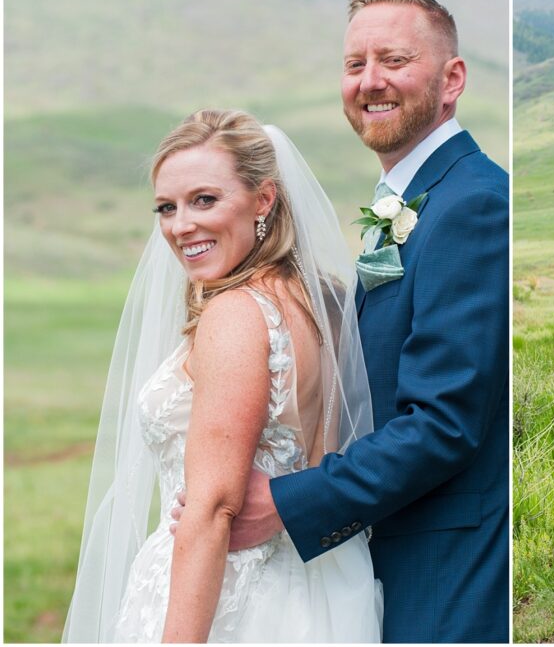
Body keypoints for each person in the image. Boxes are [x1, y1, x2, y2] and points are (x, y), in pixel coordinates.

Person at [206, 0, 510, 643]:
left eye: (394, 60)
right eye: (354, 64)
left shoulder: (472, 205)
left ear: (452, 78)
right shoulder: (413, 198)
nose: (370, 81)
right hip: (386, 561)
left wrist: (287, 503)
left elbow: (444, 423)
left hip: (449, 576)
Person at [62, 110, 382, 642]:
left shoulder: (235, 313)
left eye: (204, 200)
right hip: (317, 584)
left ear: (264, 199)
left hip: (229, 597)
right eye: (167, 207)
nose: (180, 225)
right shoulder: (321, 298)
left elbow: (212, 509)